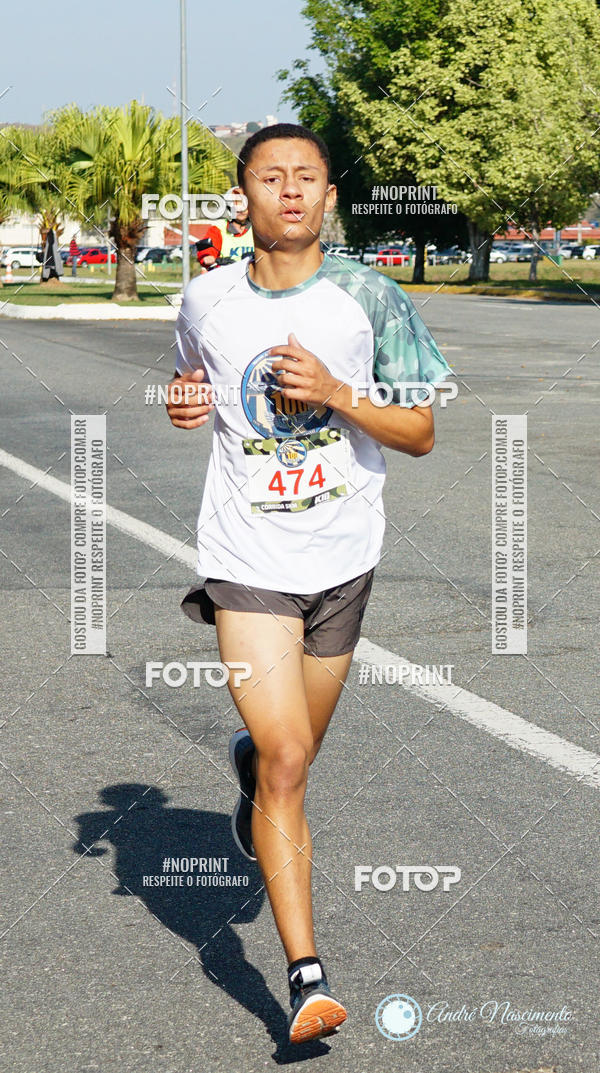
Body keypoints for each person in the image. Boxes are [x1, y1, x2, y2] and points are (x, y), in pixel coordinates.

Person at [166, 122, 452, 1045]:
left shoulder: (371, 298)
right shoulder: (205, 298)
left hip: (341, 561)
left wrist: (335, 391)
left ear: (329, 196)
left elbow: (418, 432)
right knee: (292, 761)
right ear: (240, 197)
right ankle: (307, 979)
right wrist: (182, 404)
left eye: (307, 178)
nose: (289, 191)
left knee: (289, 756)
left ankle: (254, 773)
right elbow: (191, 384)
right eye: (270, 178)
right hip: (246, 561)